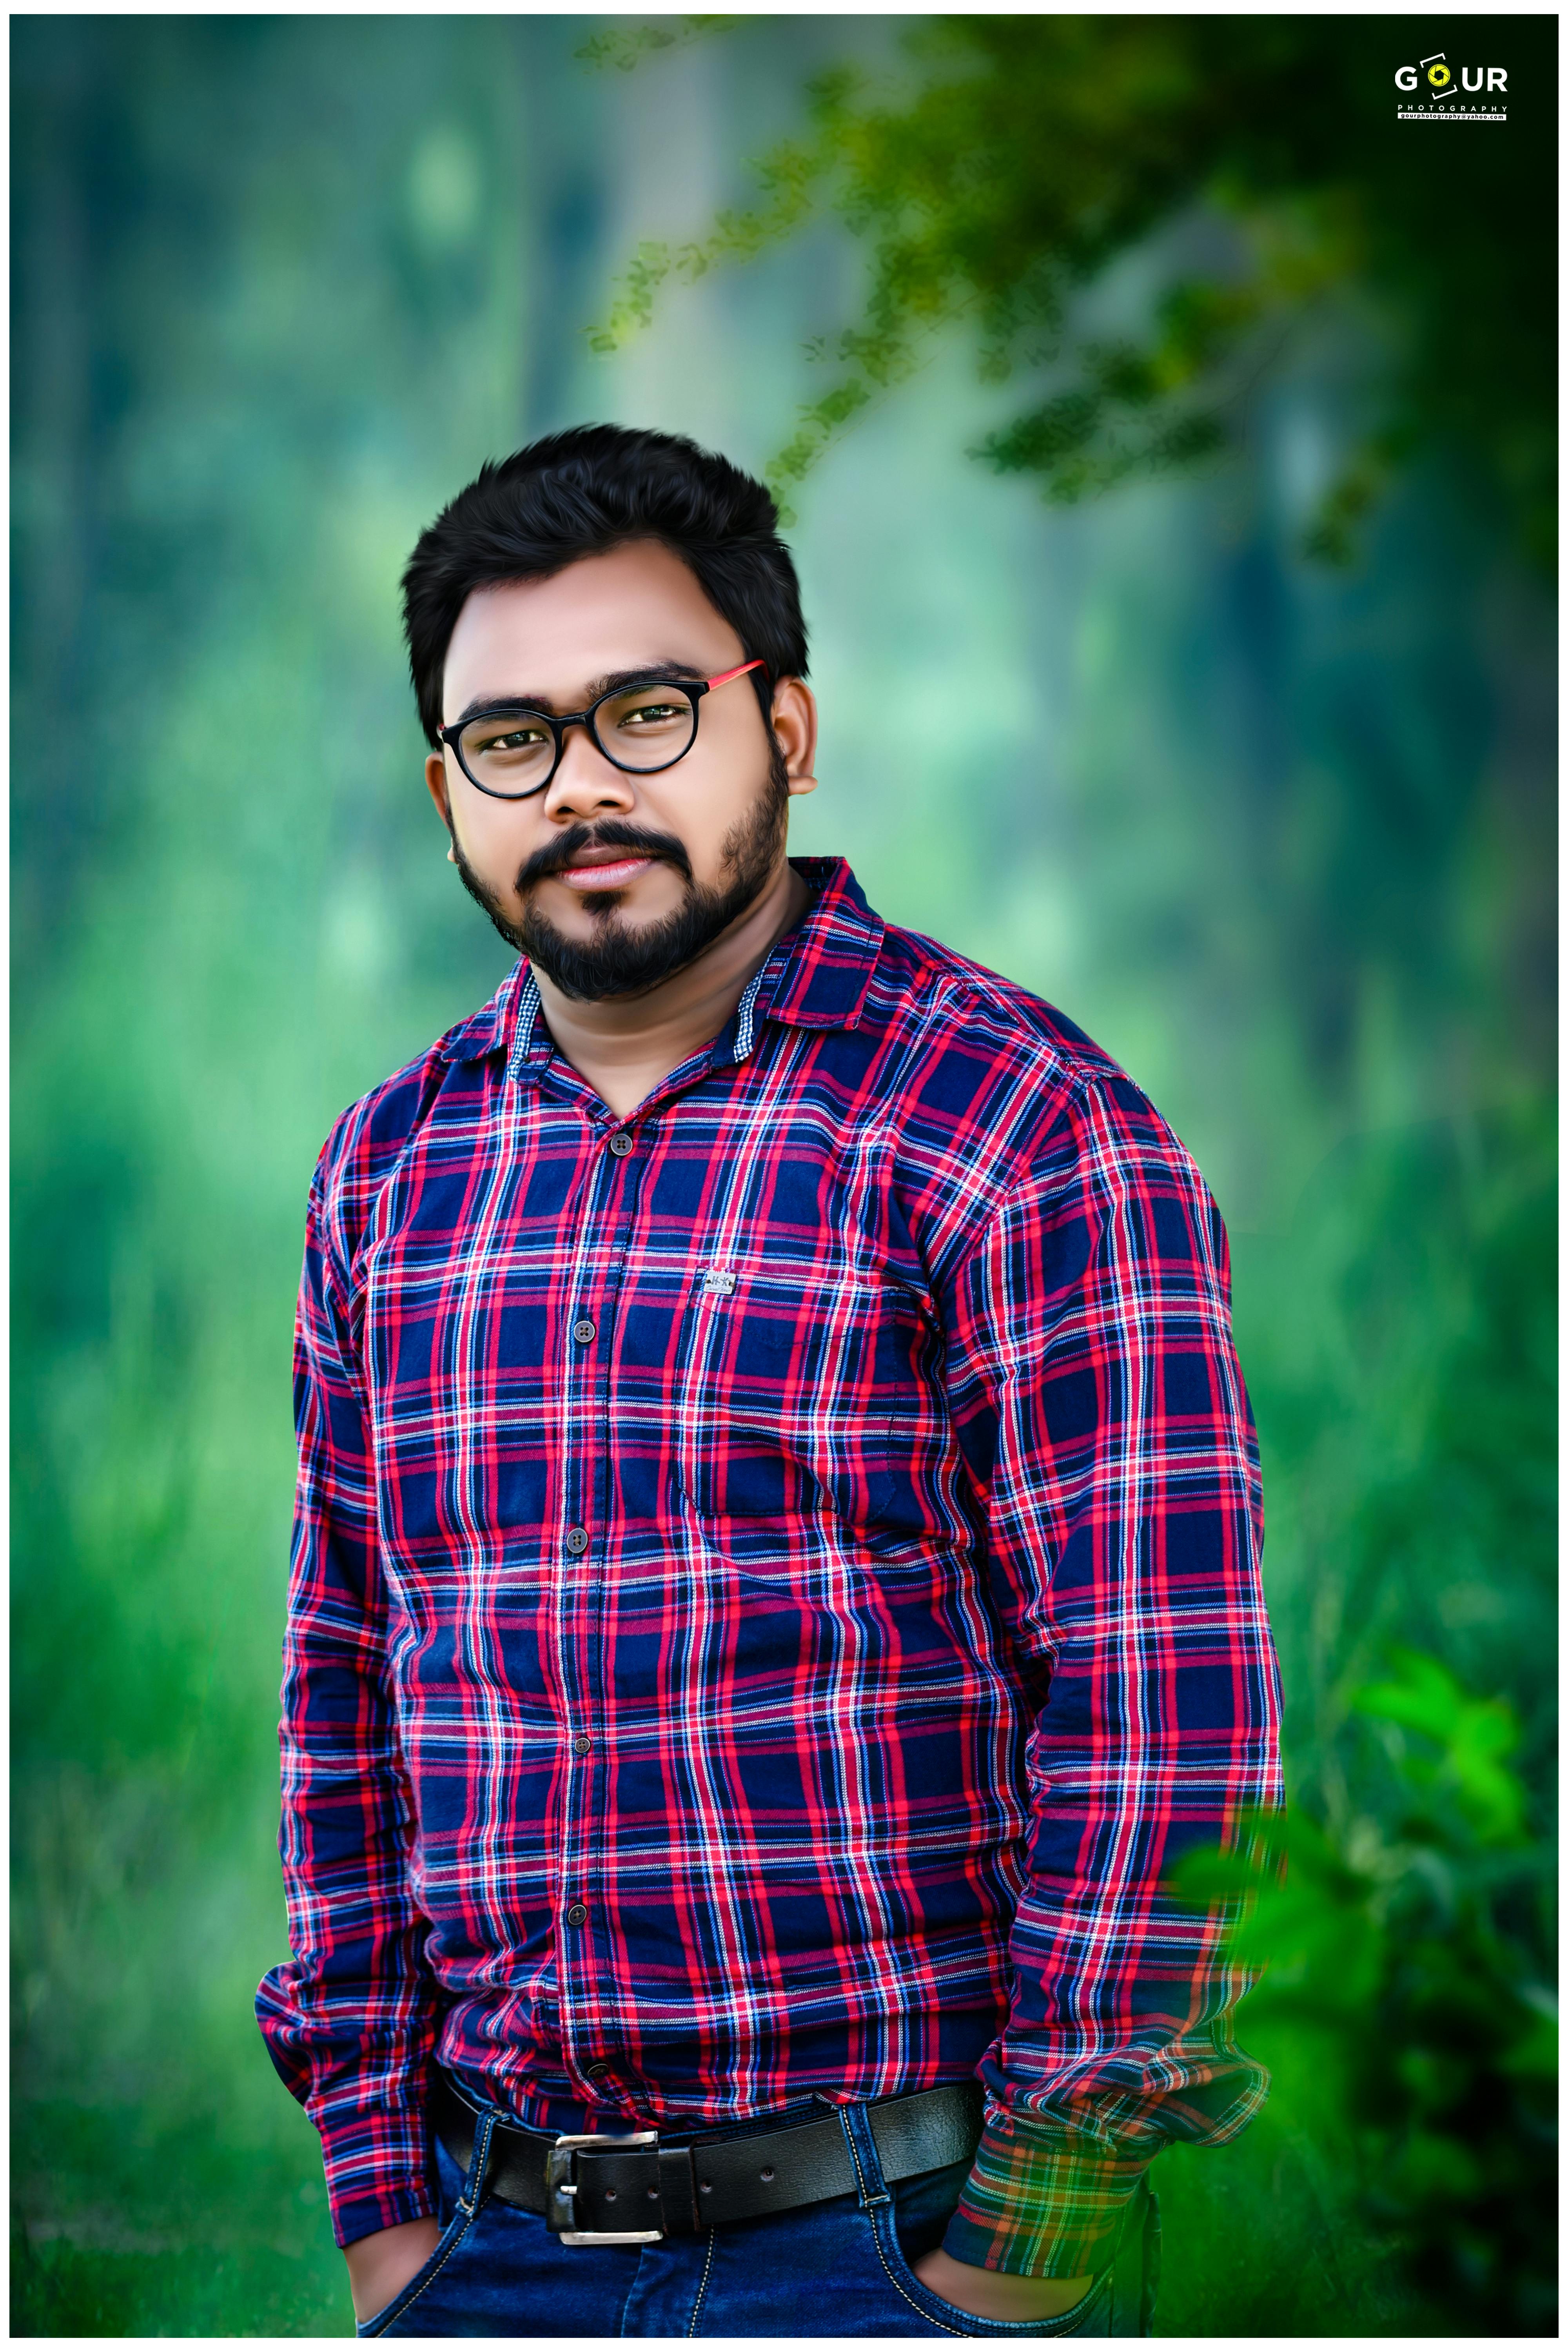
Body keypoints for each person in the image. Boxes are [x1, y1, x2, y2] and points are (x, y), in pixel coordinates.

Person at [256, 424, 1282, 2339]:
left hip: (890, 2242)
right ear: (448, 790)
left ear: (785, 729)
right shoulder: (388, 1172)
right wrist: (384, 2213)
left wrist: (1008, 2267)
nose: (579, 787)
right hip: (484, 2239)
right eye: (513, 740)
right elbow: (341, 1692)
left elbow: (1167, 1720)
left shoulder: (1019, 1130)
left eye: (648, 710)